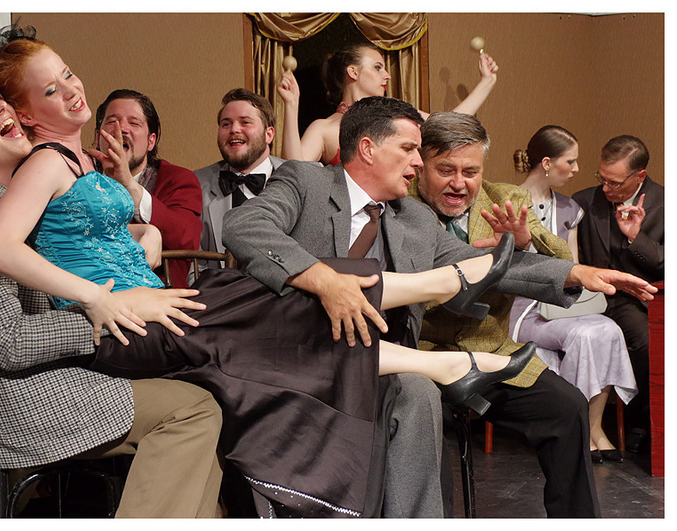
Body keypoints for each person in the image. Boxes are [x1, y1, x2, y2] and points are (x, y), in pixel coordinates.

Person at [0, 33, 538, 518]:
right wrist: (94, 299)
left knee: (288, 305)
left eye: (67, 74)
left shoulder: (83, 163)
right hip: (123, 329)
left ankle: (444, 355)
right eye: (49, 90)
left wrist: (145, 238)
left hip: (155, 308)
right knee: (282, 293)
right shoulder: (47, 161)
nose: (70, 89)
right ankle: (445, 297)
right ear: (25, 113)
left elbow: (103, 233)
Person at [223, 98, 654, 518]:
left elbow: (483, 267)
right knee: (419, 387)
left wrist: (575, 273)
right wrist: (325, 280)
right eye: (413, 151)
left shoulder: (412, 218)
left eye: (469, 171)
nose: (418, 163)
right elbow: (244, 226)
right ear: (369, 148)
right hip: (312, 346)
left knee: (540, 401)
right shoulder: (307, 181)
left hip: (398, 354)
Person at [0, 59, 224, 518]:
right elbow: (6, 342)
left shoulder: (6, 196)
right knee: (193, 410)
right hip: (7, 400)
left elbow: (76, 242)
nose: (1, 108)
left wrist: (145, 231)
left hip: (49, 372)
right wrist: (112, 310)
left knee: (214, 389)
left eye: (0, 99)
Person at [407, 111, 649, 516]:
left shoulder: (506, 198)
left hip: (493, 353)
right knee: (419, 422)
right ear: (421, 166)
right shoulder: (400, 206)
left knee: (568, 406)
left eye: (471, 172)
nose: (459, 183)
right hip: (420, 357)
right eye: (445, 170)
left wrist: (521, 245)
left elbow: (560, 255)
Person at [510, 125, 637, 463]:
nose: (577, 169)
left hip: (562, 306)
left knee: (608, 329)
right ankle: (576, 430)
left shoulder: (570, 208)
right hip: (522, 310)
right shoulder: (506, 202)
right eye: (571, 161)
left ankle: (593, 428)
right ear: (547, 163)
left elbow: (573, 267)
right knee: (585, 334)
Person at [572, 135, 664, 453]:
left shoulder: (666, 204)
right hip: (587, 295)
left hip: (636, 300)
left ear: (640, 176)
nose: (606, 188)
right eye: (602, 178)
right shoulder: (584, 201)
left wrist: (637, 237)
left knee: (646, 341)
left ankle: (645, 423)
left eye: (614, 183)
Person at [278, 43, 498, 165]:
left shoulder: (398, 116)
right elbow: (294, 170)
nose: (387, 75)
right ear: (353, 71)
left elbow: (451, 125)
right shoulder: (324, 128)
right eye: (377, 67)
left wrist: (487, 82)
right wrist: (291, 104)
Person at [94, 89, 202, 288]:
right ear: (97, 135)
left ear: (151, 141)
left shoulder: (177, 179)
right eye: (111, 121)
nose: (121, 129)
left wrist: (129, 185)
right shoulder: (80, 177)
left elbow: (186, 239)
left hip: (159, 296)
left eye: (134, 123)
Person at [195, 88, 284, 265]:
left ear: (269, 134)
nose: (234, 129)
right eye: (226, 124)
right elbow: (190, 264)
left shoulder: (300, 180)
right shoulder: (196, 184)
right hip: (218, 283)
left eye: (245, 122)